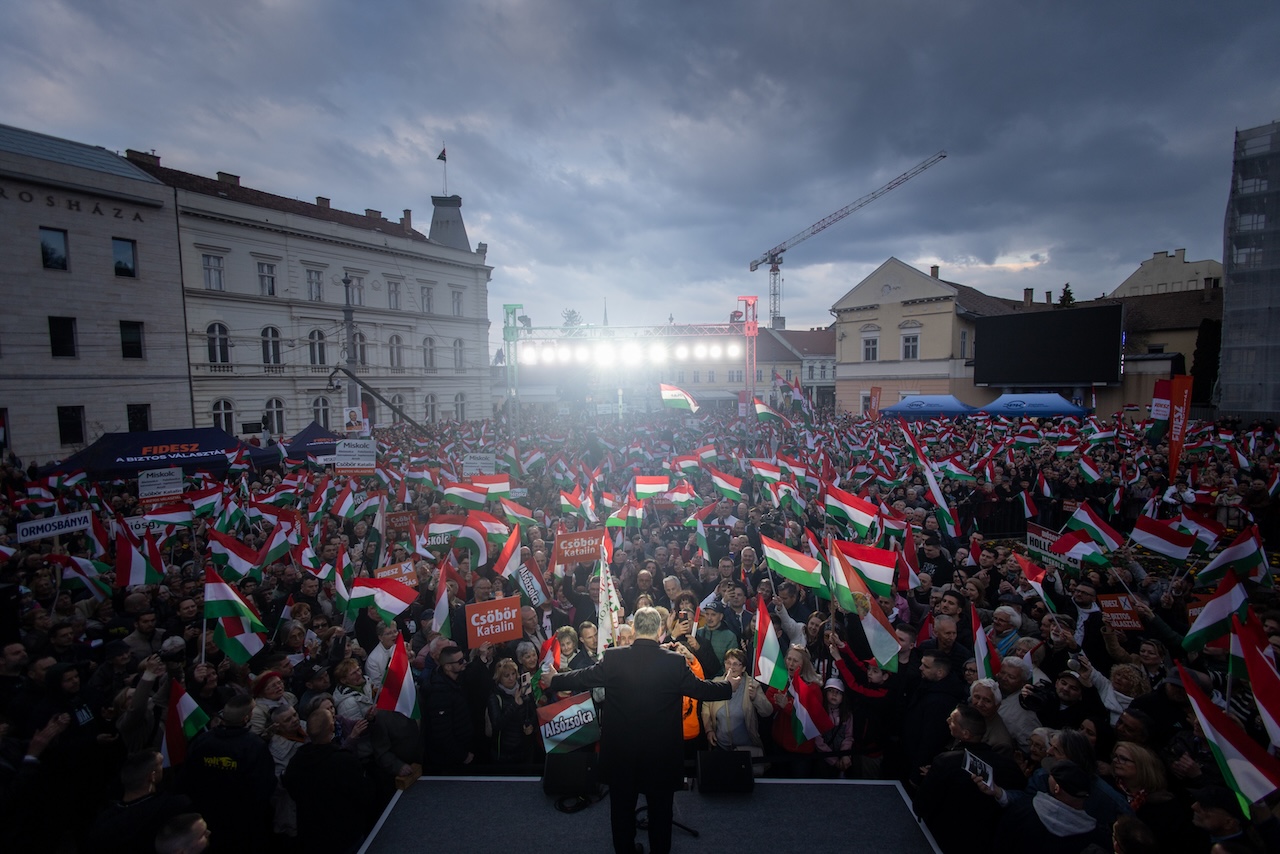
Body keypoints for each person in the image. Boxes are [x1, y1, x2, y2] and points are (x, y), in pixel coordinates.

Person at [542, 606, 736, 854]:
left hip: (621, 755)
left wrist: (555, 680)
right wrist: (728, 685)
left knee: (621, 811)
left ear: (633, 630)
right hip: (661, 756)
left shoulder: (614, 657)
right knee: (661, 812)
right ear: (660, 630)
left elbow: (583, 677)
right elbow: (702, 690)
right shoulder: (675, 662)